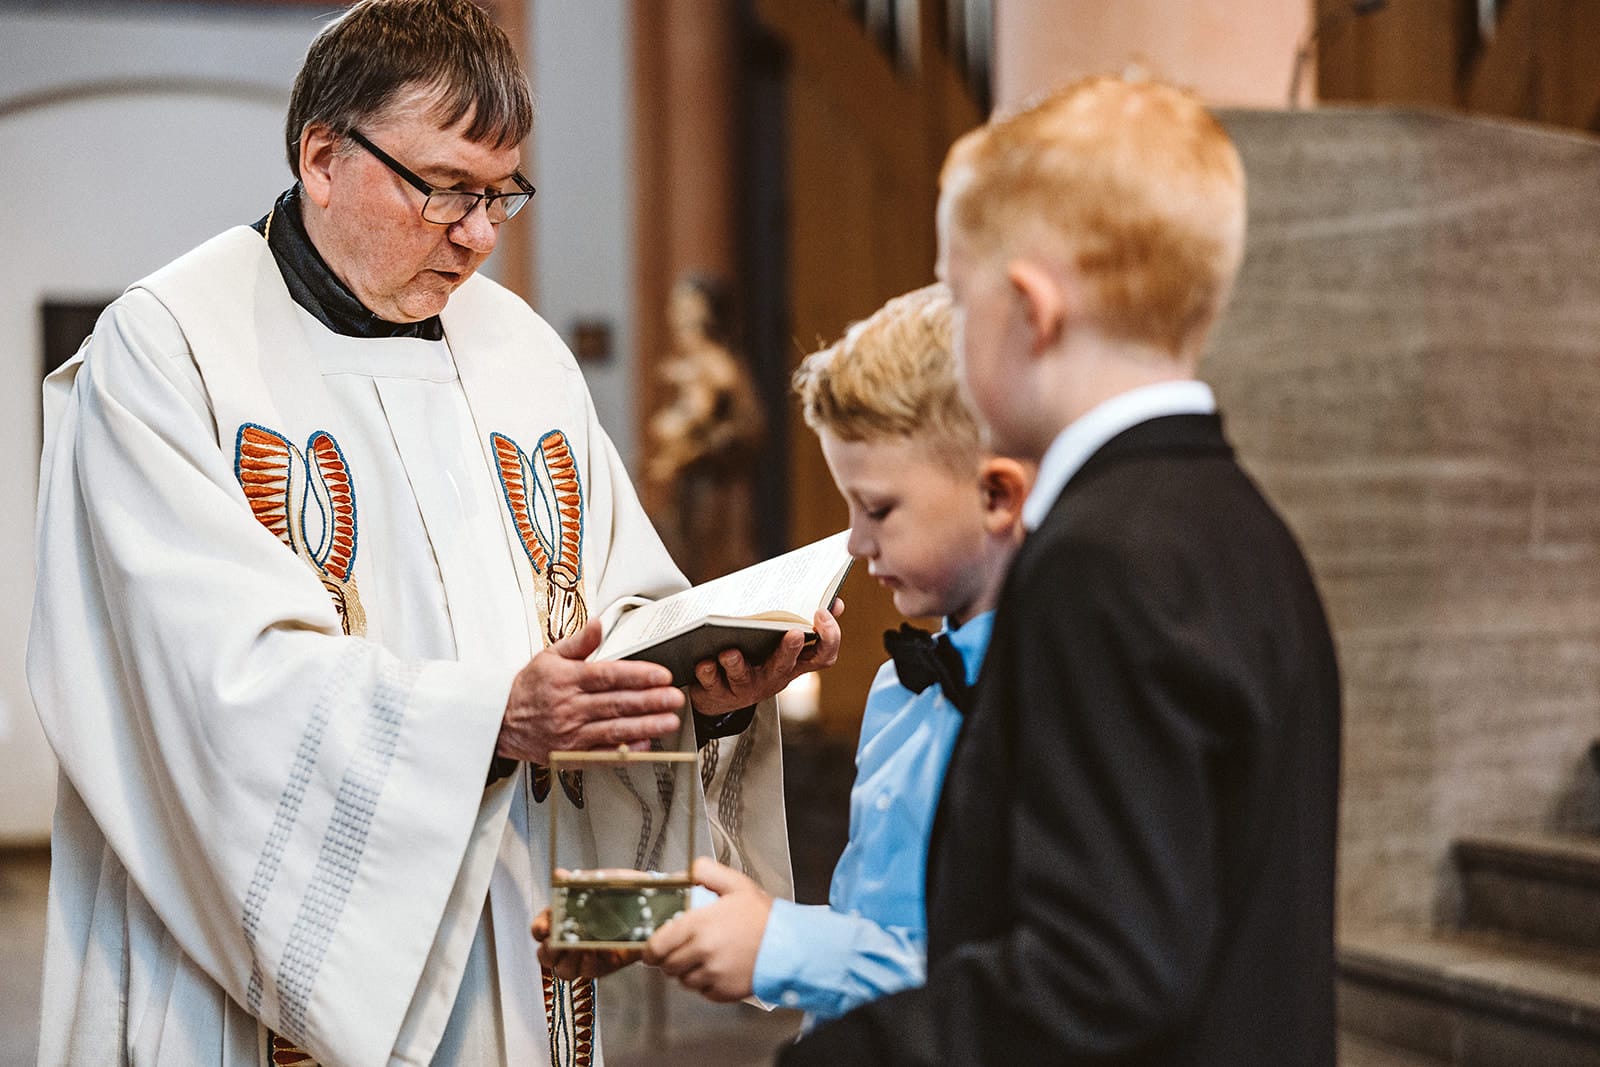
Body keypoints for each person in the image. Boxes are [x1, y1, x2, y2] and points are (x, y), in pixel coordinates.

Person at [26, 2, 838, 1065]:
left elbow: (603, 612)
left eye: (501, 192)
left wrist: (694, 688)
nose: (479, 233)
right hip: (254, 977)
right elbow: (200, 680)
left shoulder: (519, 350)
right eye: (445, 188)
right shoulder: (169, 350)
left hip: (509, 944)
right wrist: (488, 718)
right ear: (324, 156)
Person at [783, 75, 1342, 1065]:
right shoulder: (1240, 523)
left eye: (959, 298)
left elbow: (1101, 970)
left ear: (1030, 310)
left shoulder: (1100, 559)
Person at [638, 285, 1029, 1025]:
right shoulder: (897, 688)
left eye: (878, 507)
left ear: (996, 494)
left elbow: (1026, 978)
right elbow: (873, 929)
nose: (854, 541)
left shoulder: (1058, 699)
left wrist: (786, 944)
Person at [644, 275, 766, 584]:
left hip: (713, 491)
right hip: (691, 487)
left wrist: (681, 446)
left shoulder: (713, 364)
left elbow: (692, 420)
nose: (676, 316)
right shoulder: (693, 364)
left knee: (712, 570)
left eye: (686, 310)